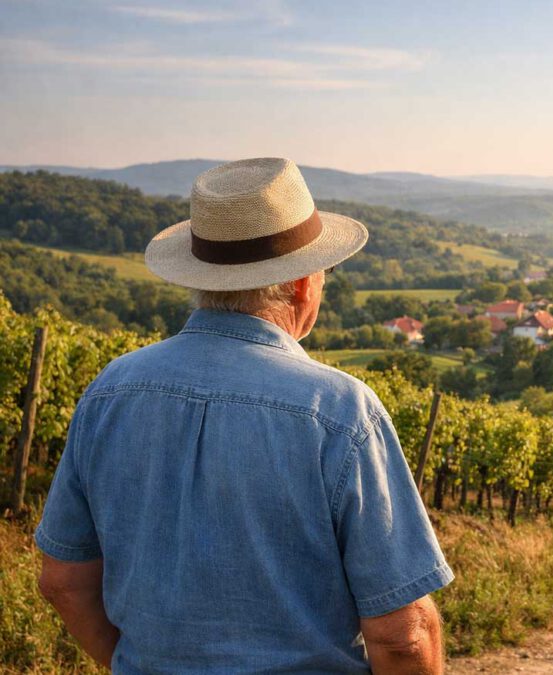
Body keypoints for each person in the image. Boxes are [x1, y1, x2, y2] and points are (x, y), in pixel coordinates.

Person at [34, 158, 453, 673]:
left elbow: (62, 583)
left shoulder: (109, 392)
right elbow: (403, 637)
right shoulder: (340, 411)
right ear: (302, 284)